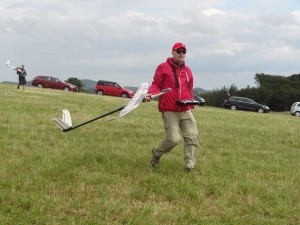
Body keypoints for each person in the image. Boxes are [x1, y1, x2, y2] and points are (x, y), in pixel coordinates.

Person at [144, 42, 199, 172]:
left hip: (186, 109)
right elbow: (156, 84)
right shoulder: (163, 67)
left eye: (183, 51)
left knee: (192, 136)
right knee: (173, 140)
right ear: (172, 52)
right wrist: (150, 94)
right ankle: (156, 153)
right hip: (169, 109)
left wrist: (191, 103)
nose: (181, 54)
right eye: (178, 51)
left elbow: (190, 88)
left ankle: (189, 167)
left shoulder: (188, 71)